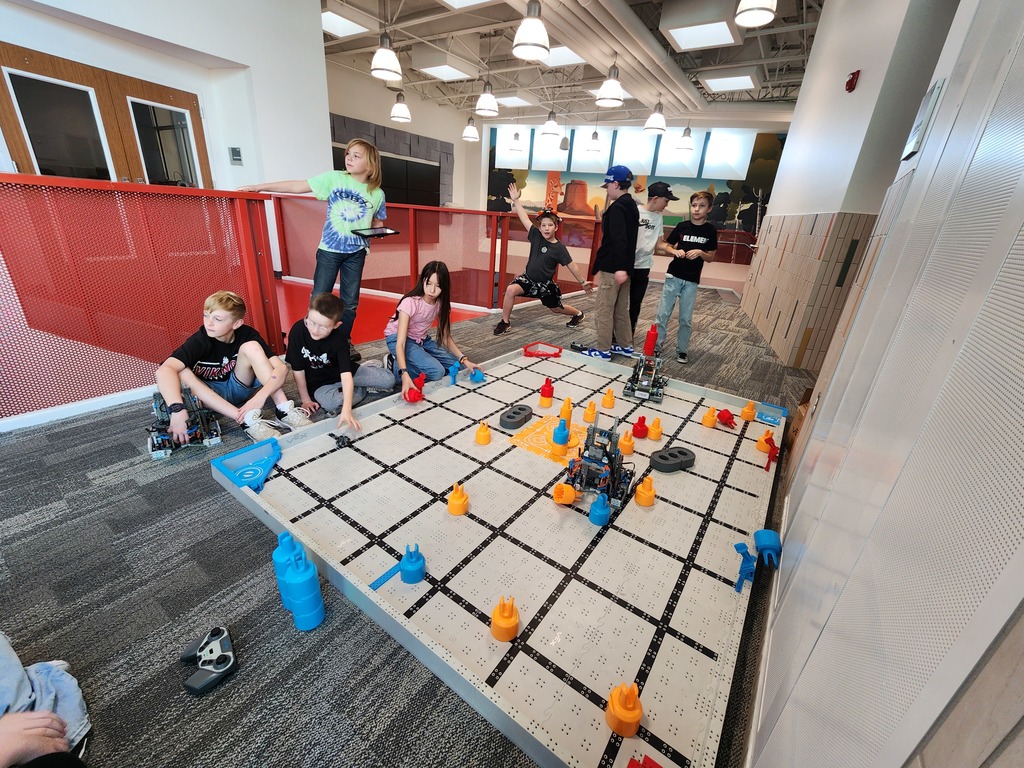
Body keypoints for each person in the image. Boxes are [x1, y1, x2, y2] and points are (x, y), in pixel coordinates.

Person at [239, 138, 387, 362]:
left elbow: (376, 221)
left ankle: (342, 341)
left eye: (357, 155)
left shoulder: (377, 193)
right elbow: (299, 185)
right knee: (319, 296)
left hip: (356, 253)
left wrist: (378, 231)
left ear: (371, 164)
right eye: (349, 153)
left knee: (350, 301)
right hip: (329, 250)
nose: (349, 158)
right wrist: (260, 186)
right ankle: (309, 341)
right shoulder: (335, 178)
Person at [156, 290, 312, 443]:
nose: (209, 323)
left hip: (239, 386)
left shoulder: (247, 334)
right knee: (181, 371)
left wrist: (259, 397)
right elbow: (163, 370)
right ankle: (246, 419)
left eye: (217, 319)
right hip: (209, 396)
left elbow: (281, 368)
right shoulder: (200, 340)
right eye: (206, 315)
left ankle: (284, 410)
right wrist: (177, 409)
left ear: (236, 323)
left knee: (251, 347)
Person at [493, 183, 593, 335]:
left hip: (545, 285)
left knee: (556, 309)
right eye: (544, 225)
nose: (546, 228)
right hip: (528, 279)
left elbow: (572, 266)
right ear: (540, 228)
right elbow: (525, 219)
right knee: (510, 290)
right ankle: (505, 322)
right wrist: (516, 200)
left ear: (556, 227)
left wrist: (583, 282)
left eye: (550, 225)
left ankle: (578, 314)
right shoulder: (536, 236)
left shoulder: (559, 248)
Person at [285, 293, 394, 431]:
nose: (314, 330)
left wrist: (347, 410)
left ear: (336, 325)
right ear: (308, 312)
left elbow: (346, 376)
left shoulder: (339, 340)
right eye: (311, 322)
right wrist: (306, 399)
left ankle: (368, 372)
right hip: (319, 384)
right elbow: (297, 369)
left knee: (389, 381)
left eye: (323, 327)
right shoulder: (297, 331)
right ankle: (362, 388)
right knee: (333, 404)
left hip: (345, 373)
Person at [383, 261, 480, 400]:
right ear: (423, 280)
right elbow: (401, 342)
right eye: (428, 283)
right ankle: (395, 366)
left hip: (421, 339)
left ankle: (412, 360)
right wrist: (404, 372)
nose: (432, 290)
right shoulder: (410, 302)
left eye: (438, 286)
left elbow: (445, 337)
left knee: (458, 367)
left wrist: (464, 360)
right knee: (437, 372)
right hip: (398, 338)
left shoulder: (440, 304)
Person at [653, 190, 718, 364]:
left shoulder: (711, 230)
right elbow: (665, 246)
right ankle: (656, 347)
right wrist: (675, 250)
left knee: (685, 319)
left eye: (702, 206)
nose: (697, 209)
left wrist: (700, 252)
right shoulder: (682, 226)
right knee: (662, 315)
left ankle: (682, 350)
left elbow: (711, 257)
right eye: (694, 205)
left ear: (709, 209)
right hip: (673, 276)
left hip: (691, 281)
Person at [583, 165, 639, 360]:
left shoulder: (617, 208)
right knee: (621, 309)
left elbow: (618, 239)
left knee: (604, 310)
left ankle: (603, 349)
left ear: (616, 183)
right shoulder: (631, 205)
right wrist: (626, 268)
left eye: (608, 186)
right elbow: (628, 240)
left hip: (613, 269)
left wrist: (620, 268)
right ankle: (625, 346)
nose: (607, 190)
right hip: (625, 269)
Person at [630, 181, 679, 335]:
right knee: (620, 303)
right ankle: (613, 334)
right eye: (666, 200)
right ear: (656, 198)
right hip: (626, 266)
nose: (667, 205)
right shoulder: (634, 212)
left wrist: (674, 250)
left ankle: (628, 334)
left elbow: (659, 244)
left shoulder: (658, 218)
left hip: (643, 267)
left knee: (635, 303)